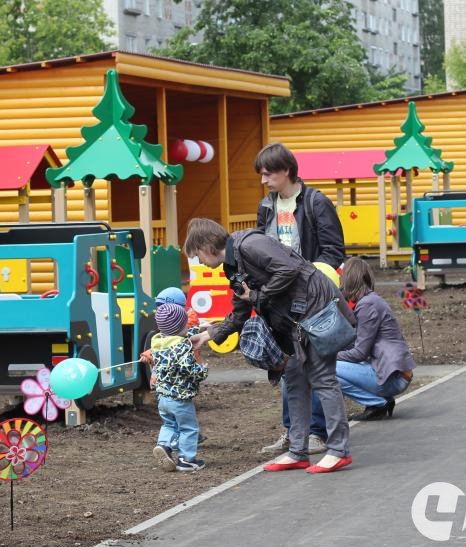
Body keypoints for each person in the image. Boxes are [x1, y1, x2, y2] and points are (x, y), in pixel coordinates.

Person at [185, 217, 355, 473]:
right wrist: (208, 334)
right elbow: (241, 309)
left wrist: (257, 296)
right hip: (295, 324)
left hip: (314, 313)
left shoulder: (249, 245)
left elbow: (288, 269)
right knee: (295, 379)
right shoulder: (233, 266)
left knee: (323, 378)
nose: (198, 261)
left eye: (197, 254)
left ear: (207, 245)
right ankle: (298, 451)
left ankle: (338, 451)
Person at [254, 141, 346, 456]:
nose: (264, 181)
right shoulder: (266, 207)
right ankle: (295, 433)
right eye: (262, 175)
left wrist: (311, 280)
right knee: (287, 367)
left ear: (287, 171)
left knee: (317, 367)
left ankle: (318, 432)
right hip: (279, 300)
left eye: (268, 174)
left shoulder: (316, 202)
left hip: (311, 299)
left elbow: (334, 250)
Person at [335, 257, 416, 420]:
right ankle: (379, 401)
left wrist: (329, 355)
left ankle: (377, 403)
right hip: (395, 373)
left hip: (394, 377)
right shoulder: (371, 300)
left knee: (325, 369)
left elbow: (359, 353)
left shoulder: (367, 305)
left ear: (349, 279)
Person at [151, 303, 209, 472]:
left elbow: (181, 335)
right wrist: (202, 370)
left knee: (169, 425)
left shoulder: (159, 343)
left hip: (163, 398)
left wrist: (199, 329)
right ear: (181, 326)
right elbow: (189, 370)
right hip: (179, 398)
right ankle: (186, 460)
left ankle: (164, 446)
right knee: (189, 428)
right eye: (186, 325)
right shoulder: (181, 348)